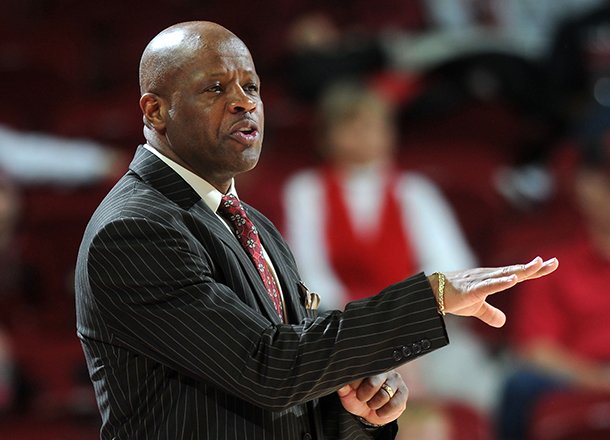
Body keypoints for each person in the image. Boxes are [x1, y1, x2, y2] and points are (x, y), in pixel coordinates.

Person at [74, 21, 558, 440]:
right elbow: (267, 366)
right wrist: (428, 297)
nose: (244, 103)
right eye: (216, 89)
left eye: (252, 87)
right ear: (155, 111)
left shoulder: (251, 222)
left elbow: (292, 392)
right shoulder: (136, 230)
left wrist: (355, 407)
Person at [497, 120, 610, 440]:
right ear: (586, 185)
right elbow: (535, 350)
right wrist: (598, 379)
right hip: (576, 374)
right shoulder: (552, 264)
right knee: (520, 386)